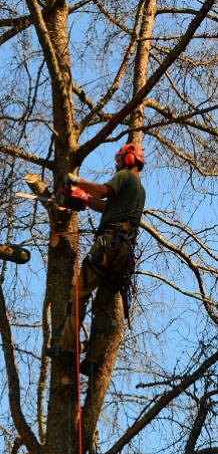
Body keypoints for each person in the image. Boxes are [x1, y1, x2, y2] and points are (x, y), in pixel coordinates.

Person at [49, 143, 146, 375]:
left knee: (80, 292)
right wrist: (82, 200)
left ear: (129, 160)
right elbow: (104, 206)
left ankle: (66, 348)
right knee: (101, 305)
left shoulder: (125, 176)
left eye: (120, 159)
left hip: (108, 244)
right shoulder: (139, 190)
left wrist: (76, 181)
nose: (117, 164)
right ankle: (93, 361)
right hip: (123, 254)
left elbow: (102, 192)